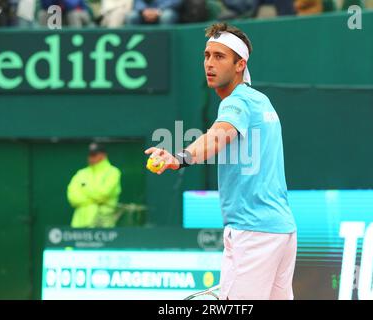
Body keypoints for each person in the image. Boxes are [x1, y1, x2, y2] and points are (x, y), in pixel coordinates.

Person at [144, 22, 297, 300]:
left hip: (252, 233)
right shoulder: (261, 101)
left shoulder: (236, 102)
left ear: (240, 65)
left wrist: (178, 158)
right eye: (206, 56)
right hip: (281, 231)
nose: (209, 64)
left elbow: (217, 138)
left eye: (220, 56)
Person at [67, 143, 122, 228]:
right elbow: (73, 198)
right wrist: (96, 199)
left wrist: (85, 188)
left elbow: (103, 194)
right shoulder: (81, 173)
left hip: (103, 225)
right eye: (89, 155)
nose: (91, 158)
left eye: (94, 155)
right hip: (79, 224)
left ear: (103, 155)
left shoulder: (113, 172)